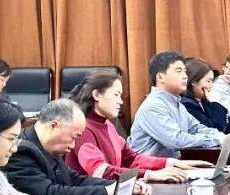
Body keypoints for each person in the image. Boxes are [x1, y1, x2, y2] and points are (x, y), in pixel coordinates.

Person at [3, 99, 147, 195]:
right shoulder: (20, 151)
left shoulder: (50, 147)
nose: (73, 146)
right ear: (53, 126)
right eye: (72, 138)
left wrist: (121, 186)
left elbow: (74, 180)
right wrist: (106, 192)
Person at [67, 72, 206, 181]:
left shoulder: (107, 125)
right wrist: (149, 174)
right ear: (97, 95)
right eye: (116, 95)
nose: (121, 101)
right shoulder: (84, 130)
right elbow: (100, 171)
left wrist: (171, 163)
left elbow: (131, 159)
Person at [128, 50, 223, 158]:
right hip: (149, 167)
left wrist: (220, 136)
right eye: (178, 71)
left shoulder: (178, 105)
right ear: (160, 77)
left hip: (172, 165)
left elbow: (197, 128)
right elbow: (176, 140)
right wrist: (215, 139)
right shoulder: (153, 106)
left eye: (185, 71)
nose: (185, 76)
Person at [181, 58, 230, 133]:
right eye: (208, 81)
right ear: (194, 82)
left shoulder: (203, 101)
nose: (211, 85)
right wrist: (213, 102)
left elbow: (226, 124)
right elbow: (216, 128)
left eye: (212, 81)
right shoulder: (187, 105)